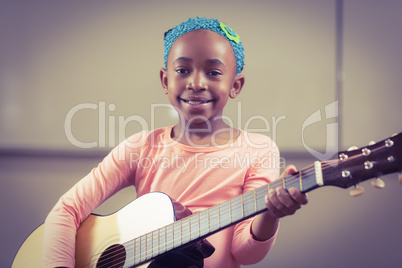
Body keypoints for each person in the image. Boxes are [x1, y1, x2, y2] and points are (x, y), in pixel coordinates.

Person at [42, 17, 308, 268]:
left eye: (214, 72)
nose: (196, 83)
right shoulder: (141, 147)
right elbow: (66, 209)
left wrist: (270, 213)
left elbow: (245, 252)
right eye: (182, 70)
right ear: (165, 80)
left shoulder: (257, 150)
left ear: (235, 85)